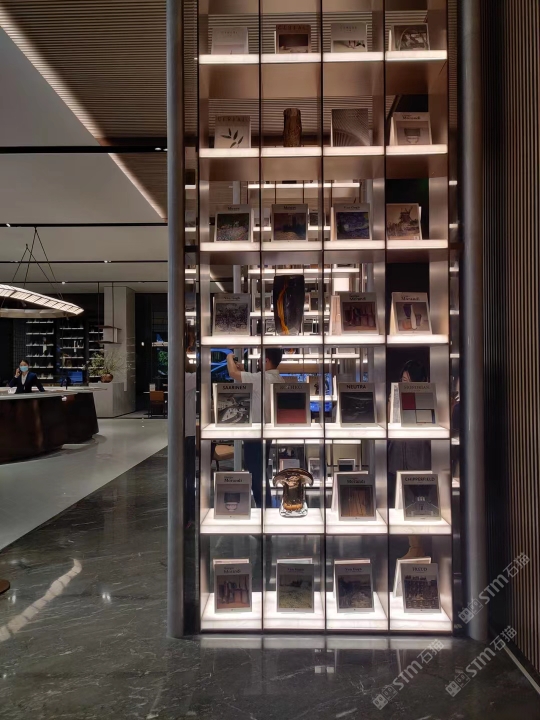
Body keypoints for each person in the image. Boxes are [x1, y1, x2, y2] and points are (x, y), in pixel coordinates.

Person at [226, 348, 284, 507]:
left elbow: (232, 373)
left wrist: (229, 356)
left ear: (266, 360)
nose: (258, 361)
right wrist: (245, 371)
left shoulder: (261, 379)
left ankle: (264, 509)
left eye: (260, 359)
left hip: (255, 435)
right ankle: (266, 508)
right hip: (267, 434)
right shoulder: (278, 379)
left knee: (256, 475)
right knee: (260, 472)